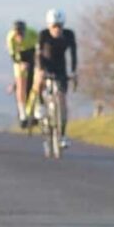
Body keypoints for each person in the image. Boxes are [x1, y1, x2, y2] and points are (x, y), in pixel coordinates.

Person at [31, 9, 78, 148]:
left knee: (62, 101)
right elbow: (38, 54)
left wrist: (74, 71)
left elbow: (74, 54)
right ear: (49, 25)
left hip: (61, 67)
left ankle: (62, 136)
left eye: (60, 26)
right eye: (54, 26)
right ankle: (40, 104)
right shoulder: (43, 34)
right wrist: (40, 69)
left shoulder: (69, 35)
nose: (57, 29)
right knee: (39, 78)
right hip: (45, 64)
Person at [5, 20, 38, 128]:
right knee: (21, 85)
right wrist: (20, 63)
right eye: (17, 35)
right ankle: (22, 113)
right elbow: (13, 56)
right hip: (20, 56)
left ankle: (37, 108)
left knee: (36, 81)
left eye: (21, 34)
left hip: (32, 52)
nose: (20, 37)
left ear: (25, 31)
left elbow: (41, 44)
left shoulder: (31, 32)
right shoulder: (10, 37)